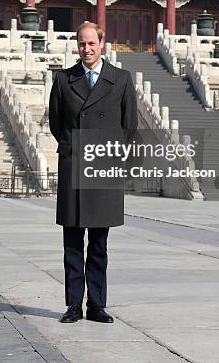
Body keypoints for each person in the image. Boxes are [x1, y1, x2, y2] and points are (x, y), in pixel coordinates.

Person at [48, 21, 137, 323]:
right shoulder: (63, 79)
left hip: (104, 166)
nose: (86, 49)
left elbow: (129, 126)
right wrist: (73, 146)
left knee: (99, 243)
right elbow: (56, 123)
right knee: (72, 242)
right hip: (74, 164)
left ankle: (97, 305)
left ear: (102, 44)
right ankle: (74, 304)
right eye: (81, 44)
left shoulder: (121, 79)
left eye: (91, 44)